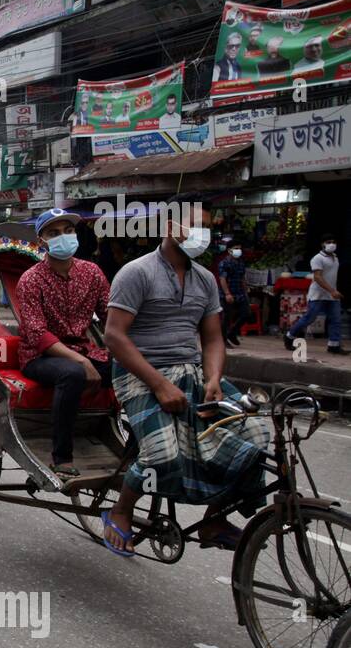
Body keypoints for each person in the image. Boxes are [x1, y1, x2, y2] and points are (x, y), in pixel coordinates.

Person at [101, 207, 270, 556]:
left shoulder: (206, 279)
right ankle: (121, 508)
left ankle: (214, 519)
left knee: (256, 435)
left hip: (192, 372)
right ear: (169, 226)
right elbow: (114, 338)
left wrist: (214, 378)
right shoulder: (137, 272)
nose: (202, 234)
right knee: (161, 454)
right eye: (195, 226)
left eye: (208, 228)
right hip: (140, 374)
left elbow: (212, 339)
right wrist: (160, 385)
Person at [16, 209, 113, 477]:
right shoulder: (31, 280)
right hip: (40, 357)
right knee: (72, 373)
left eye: (68, 231)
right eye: (54, 233)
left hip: (83, 349)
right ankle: (61, 457)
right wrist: (81, 361)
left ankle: (126, 444)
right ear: (42, 241)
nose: (64, 237)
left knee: (130, 369)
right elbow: (37, 334)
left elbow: (110, 316)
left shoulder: (92, 273)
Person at [284, 235, 344, 355]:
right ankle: (290, 336)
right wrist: (332, 291)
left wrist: (333, 291)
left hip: (331, 295)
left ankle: (334, 345)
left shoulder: (335, 258)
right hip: (318, 295)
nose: (332, 244)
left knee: (336, 319)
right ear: (322, 244)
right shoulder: (317, 258)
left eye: (333, 242)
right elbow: (317, 277)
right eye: (328, 242)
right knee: (309, 318)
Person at [215, 238, 248, 348]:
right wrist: (227, 294)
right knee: (227, 318)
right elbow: (222, 279)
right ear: (229, 250)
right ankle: (223, 340)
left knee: (246, 314)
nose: (238, 250)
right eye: (236, 249)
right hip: (227, 293)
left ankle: (232, 333)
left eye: (240, 248)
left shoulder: (241, 263)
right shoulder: (224, 263)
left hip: (239, 293)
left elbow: (242, 278)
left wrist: (245, 291)